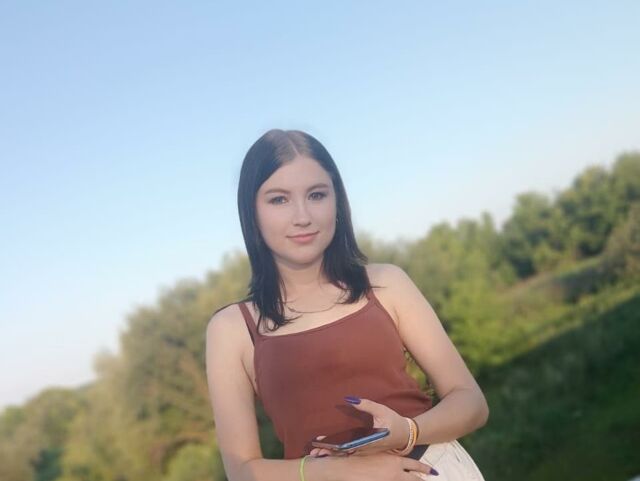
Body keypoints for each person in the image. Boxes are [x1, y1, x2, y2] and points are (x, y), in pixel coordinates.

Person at [205, 129, 489, 481]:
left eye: (317, 195)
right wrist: (338, 471)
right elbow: (242, 470)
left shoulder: (386, 284)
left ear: (337, 201)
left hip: (432, 470)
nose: (302, 216)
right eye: (279, 199)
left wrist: (407, 431)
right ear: (252, 212)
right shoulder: (231, 329)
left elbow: (471, 402)